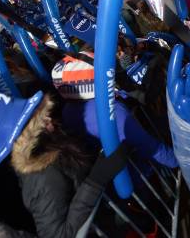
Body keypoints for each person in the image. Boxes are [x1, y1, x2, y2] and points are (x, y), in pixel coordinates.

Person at [11, 93, 130, 238]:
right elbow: (57, 235)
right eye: (40, 119)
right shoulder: (43, 177)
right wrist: (96, 180)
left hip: (104, 211)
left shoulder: (52, 142)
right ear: (28, 135)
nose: (49, 119)